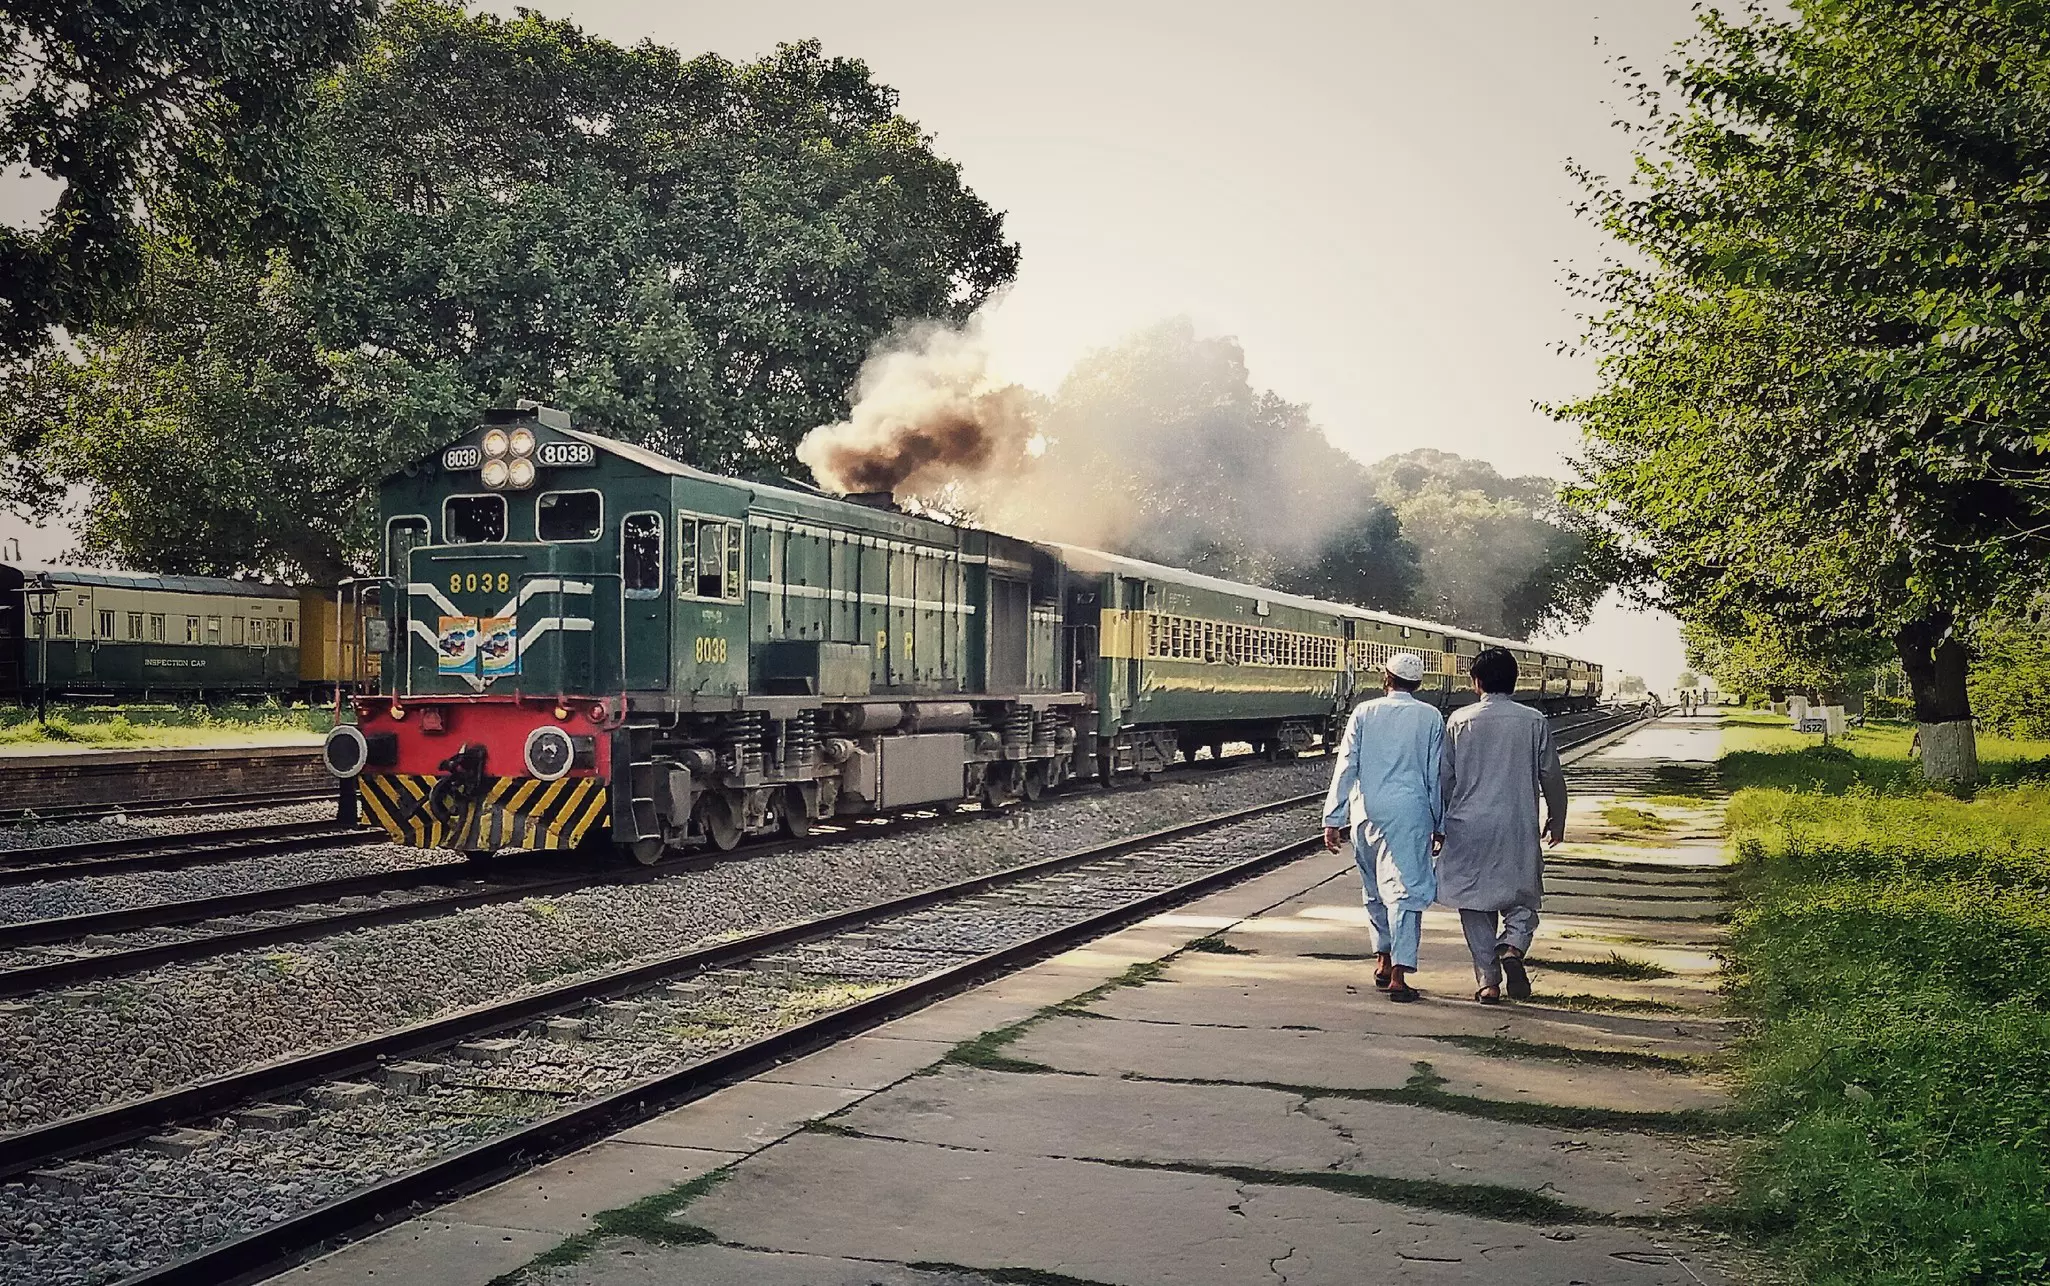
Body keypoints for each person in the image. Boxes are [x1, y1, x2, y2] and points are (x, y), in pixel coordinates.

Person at [1434, 647, 1567, 1004]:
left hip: (1467, 824)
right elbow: (1551, 775)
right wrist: (1557, 816)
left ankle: (1488, 982)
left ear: (1476, 682)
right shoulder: (1533, 721)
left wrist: (1438, 824)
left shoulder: (1459, 721)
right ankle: (1513, 945)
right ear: (1515, 681)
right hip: (1517, 822)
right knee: (1523, 893)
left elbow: (1444, 779)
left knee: (1474, 902)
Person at [1321, 651, 1444, 1003]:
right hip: (1411, 813)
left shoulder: (1363, 712)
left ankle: (1383, 959)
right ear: (1418, 684)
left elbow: (1346, 766)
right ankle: (1400, 976)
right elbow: (1435, 776)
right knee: (1405, 890)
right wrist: (1440, 821)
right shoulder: (1431, 717)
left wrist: (1334, 818)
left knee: (1374, 889)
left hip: (1366, 814)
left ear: (1385, 679)